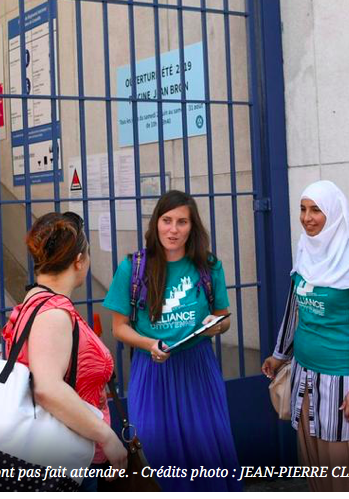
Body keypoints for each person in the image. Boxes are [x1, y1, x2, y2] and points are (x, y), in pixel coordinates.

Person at [104, 190, 241, 492]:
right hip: (152, 371)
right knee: (160, 453)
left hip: (197, 369)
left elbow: (224, 317)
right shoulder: (133, 267)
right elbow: (119, 328)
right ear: (155, 223)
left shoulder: (208, 265)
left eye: (182, 222)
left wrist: (215, 326)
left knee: (206, 450)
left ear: (192, 227)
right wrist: (148, 344)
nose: (173, 229)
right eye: (167, 220)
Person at [262, 181, 349, 492]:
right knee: (314, 458)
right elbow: (294, 308)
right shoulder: (306, 248)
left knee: (347, 461)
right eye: (303, 209)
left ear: (335, 213)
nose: (307, 217)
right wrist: (280, 354)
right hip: (304, 373)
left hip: (341, 382)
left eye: (316, 210)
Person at [2, 212, 127, 490]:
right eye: (88, 254)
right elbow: (47, 388)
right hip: (66, 458)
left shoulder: (35, 300)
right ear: (79, 261)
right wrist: (106, 436)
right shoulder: (54, 313)